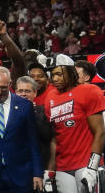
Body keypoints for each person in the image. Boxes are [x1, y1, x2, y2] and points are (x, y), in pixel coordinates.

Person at [0, 67, 42, 193]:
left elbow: (33, 142)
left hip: (21, 174)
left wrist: (37, 172)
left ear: (10, 84)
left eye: (3, 87)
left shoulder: (25, 105)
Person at [45, 55, 105, 193]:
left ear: (71, 72)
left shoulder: (89, 91)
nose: (54, 79)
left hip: (86, 163)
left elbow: (100, 132)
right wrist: (50, 170)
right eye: (52, 74)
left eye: (59, 74)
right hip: (62, 167)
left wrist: (92, 167)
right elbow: (55, 138)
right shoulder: (51, 97)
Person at [15, 76, 55, 187]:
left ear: (35, 93)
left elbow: (46, 135)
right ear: (15, 93)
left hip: (40, 167)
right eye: (20, 91)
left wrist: (31, 114)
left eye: (27, 91)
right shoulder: (9, 114)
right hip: (17, 168)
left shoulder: (42, 111)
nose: (23, 94)